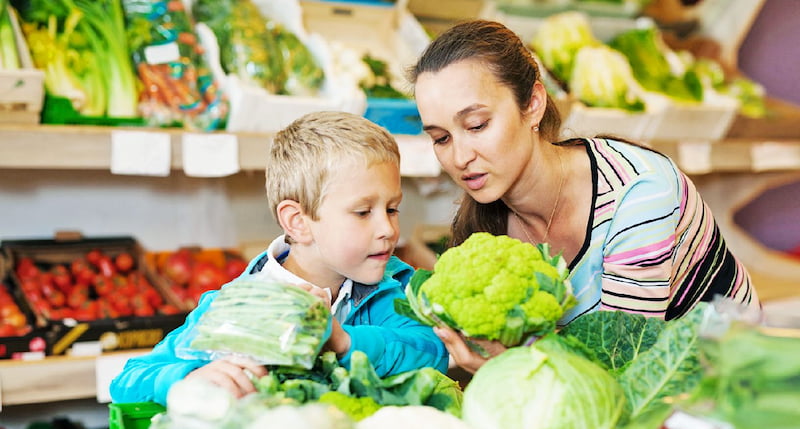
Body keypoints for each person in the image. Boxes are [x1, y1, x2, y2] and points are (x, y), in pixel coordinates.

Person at [408, 19, 760, 373]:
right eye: (441, 138)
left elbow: (622, 364)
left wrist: (507, 368)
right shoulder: (487, 227)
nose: (459, 157)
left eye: (477, 126)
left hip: (731, 381)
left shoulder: (639, 193)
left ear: (532, 103)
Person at [110, 111, 449, 404]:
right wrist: (189, 377)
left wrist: (343, 341)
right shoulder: (235, 309)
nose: (388, 229)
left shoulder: (397, 288)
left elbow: (433, 352)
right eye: (363, 212)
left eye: (392, 209)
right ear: (298, 222)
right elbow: (129, 380)